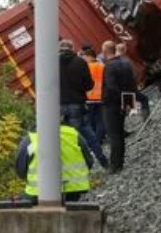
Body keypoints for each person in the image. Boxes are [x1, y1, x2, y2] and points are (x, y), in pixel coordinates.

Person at [13, 123, 94, 204]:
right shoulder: (74, 135)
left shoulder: (30, 140)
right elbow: (89, 161)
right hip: (74, 190)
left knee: (23, 203)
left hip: (37, 193)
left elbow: (21, 171)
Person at [59, 38, 108, 168]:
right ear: (72, 48)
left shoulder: (52, 64)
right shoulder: (80, 62)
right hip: (78, 103)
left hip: (60, 107)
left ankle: (81, 166)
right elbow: (88, 85)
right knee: (88, 133)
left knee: (70, 138)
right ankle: (102, 159)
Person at [102, 42, 139, 173]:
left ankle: (114, 165)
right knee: (120, 134)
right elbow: (132, 83)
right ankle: (120, 162)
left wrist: (117, 100)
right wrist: (129, 103)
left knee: (114, 135)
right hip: (124, 102)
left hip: (112, 104)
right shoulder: (126, 63)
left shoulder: (109, 67)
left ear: (105, 51)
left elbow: (111, 87)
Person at [81, 44, 106, 152]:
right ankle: (99, 139)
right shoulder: (101, 65)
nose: (83, 59)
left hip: (90, 97)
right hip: (101, 96)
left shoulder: (87, 67)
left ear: (89, 56)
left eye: (84, 57)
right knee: (100, 120)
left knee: (91, 121)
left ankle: (95, 141)